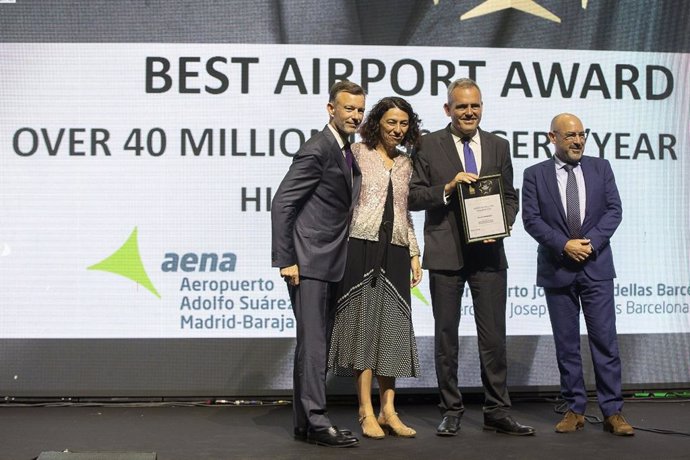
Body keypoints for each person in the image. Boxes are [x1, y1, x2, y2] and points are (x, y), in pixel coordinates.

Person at [409, 78, 535, 436]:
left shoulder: (498, 145)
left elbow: (510, 197)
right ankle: (450, 409)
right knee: (446, 337)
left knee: (494, 337)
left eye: (475, 106)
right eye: (461, 106)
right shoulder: (427, 145)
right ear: (448, 109)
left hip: (490, 254)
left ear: (482, 107)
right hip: (446, 253)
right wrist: (446, 189)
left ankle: (497, 410)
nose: (469, 112)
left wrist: (503, 224)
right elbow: (413, 197)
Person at [521, 113, 633, 436]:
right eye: (570, 135)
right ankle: (574, 409)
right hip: (558, 268)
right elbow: (531, 219)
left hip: (595, 267)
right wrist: (564, 245)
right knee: (566, 345)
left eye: (582, 135)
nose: (578, 140)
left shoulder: (601, 168)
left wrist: (590, 244)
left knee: (605, 342)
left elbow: (615, 211)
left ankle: (613, 412)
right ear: (552, 138)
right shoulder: (535, 175)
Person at [271, 80, 366, 448]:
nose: (355, 116)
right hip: (308, 261)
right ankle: (316, 421)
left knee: (314, 344)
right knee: (314, 345)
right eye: (348, 109)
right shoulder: (318, 148)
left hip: (330, 259)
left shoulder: (345, 149)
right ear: (330, 109)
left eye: (359, 110)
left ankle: (304, 422)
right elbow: (282, 203)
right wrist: (287, 259)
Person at [328, 97, 423, 440]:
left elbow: (405, 211)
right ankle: (365, 411)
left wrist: (414, 251)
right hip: (360, 247)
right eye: (391, 123)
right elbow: (341, 202)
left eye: (403, 124)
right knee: (363, 329)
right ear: (377, 123)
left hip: (396, 250)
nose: (397, 130)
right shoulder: (356, 154)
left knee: (392, 331)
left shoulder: (406, 164)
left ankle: (389, 411)